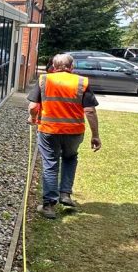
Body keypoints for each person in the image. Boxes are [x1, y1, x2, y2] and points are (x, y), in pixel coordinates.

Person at [27, 53, 102, 219]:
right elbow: (90, 111)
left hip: (49, 131)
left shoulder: (44, 80)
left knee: (50, 164)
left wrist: (32, 118)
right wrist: (95, 135)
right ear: (72, 66)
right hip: (74, 132)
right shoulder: (81, 82)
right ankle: (65, 194)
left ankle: (48, 205)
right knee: (70, 158)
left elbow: (33, 106)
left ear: (54, 67)